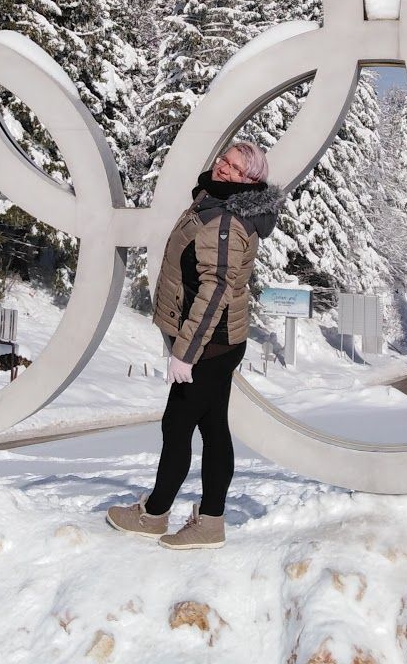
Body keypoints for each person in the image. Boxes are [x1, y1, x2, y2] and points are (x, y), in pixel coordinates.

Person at [106, 140, 282, 549]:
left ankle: (154, 515)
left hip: (209, 345)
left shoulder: (223, 219)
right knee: (213, 428)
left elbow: (215, 290)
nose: (224, 168)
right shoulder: (214, 202)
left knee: (178, 425)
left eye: (236, 169)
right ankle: (210, 521)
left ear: (251, 180)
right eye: (224, 160)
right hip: (219, 341)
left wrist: (186, 352)